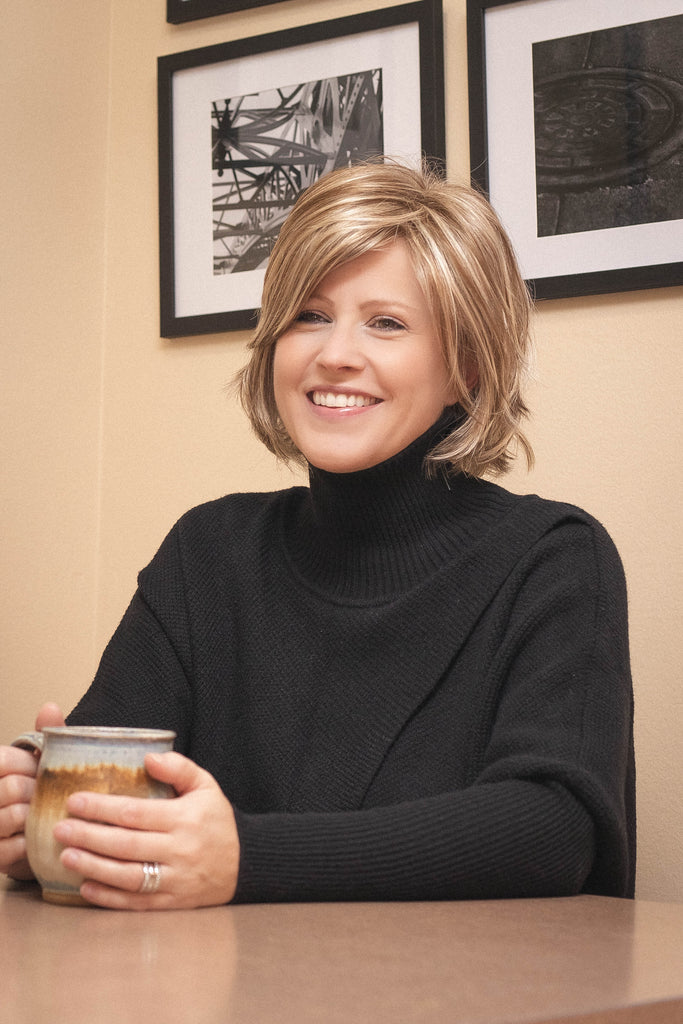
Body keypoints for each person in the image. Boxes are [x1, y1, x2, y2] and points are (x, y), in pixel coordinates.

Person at [0, 161, 635, 910]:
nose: (334, 353)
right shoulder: (207, 552)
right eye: (308, 314)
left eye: (386, 323)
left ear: (465, 365)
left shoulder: (554, 558)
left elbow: (554, 830)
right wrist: (40, 817)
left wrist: (249, 859)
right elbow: (109, 801)